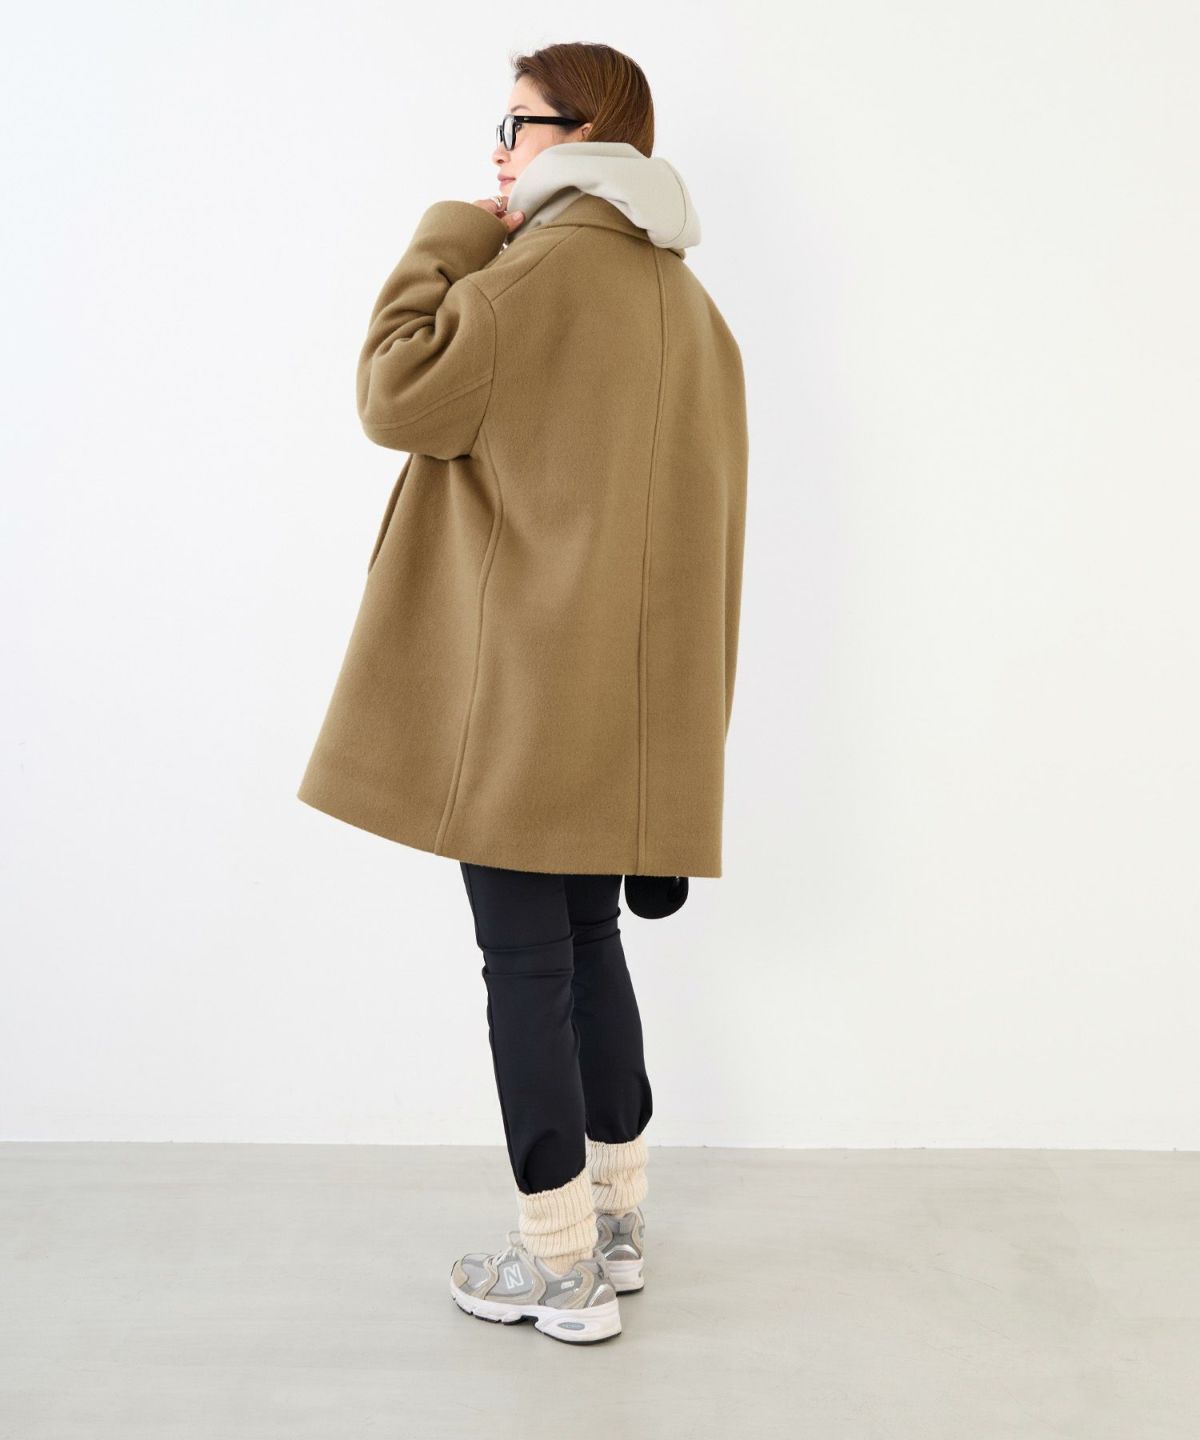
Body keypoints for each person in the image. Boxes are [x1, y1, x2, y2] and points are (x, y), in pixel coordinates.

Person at [296, 42, 748, 1344]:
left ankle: (554, 1266)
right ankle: (617, 1220)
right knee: (590, 948)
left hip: (519, 702)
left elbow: (396, 394)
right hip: (625, 715)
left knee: (525, 964)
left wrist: (454, 232)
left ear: (586, 132)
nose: (499, 151)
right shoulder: (692, 308)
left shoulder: (525, 277)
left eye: (519, 125)